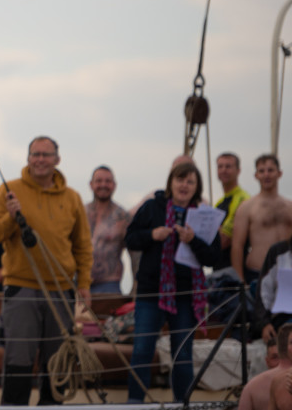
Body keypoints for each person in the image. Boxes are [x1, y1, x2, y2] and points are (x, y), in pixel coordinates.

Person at [0, 135, 92, 406]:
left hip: (61, 290)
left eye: (46, 155)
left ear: (57, 160)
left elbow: (82, 246)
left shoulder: (72, 198)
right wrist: (11, 217)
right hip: (22, 288)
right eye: (36, 154)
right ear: (28, 158)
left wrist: (84, 285)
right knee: (18, 360)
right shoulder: (9, 189)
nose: (40, 160)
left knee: (57, 363)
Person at [125, 160, 220, 403]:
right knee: (142, 351)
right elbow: (131, 239)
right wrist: (152, 235)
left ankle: (182, 404)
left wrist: (193, 240)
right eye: (180, 179)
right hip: (151, 293)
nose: (184, 185)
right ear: (171, 182)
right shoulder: (152, 207)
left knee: (183, 355)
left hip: (185, 296)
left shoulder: (205, 216)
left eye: (190, 181)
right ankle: (134, 405)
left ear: (196, 187)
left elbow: (214, 256)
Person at [233, 154, 292, 286]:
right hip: (258, 273)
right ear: (256, 175)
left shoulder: (289, 207)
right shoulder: (247, 207)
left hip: (287, 273)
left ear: (279, 173)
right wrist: (240, 281)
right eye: (262, 171)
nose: (266, 175)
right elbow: (237, 246)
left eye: (270, 170)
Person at [85, 165, 130, 295]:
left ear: (114, 185)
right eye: (99, 181)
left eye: (107, 181)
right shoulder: (80, 213)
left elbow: (134, 254)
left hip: (109, 285)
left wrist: (135, 287)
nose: (103, 185)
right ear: (91, 184)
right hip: (80, 285)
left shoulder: (122, 217)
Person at [212, 152, 249, 276]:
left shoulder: (242, 199)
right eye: (220, 166)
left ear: (238, 170)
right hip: (219, 269)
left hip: (236, 273)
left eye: (228, 166)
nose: (224, 170)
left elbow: (223, 240)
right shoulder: (220, 202)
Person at [240, 325, 292, 410]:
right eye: (274, 357)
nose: (278, 361)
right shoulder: (276, 382)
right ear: (267, 361)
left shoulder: (252, 386)